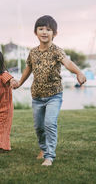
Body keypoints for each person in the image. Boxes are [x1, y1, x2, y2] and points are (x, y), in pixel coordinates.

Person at [12, 15, 86, 166]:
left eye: (48, 29)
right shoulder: (33, 52)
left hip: (54, 95)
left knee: (50, 123)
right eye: (41, 29)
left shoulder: (57, 51)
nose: (44, 32)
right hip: (37, 96)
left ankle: (49, 156)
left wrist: (78, 72)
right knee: (39, 127)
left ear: (54, 33)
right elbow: (28, 68)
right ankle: (44, 149)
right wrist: (20, 82)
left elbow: (68, 63)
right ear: (35, 32)